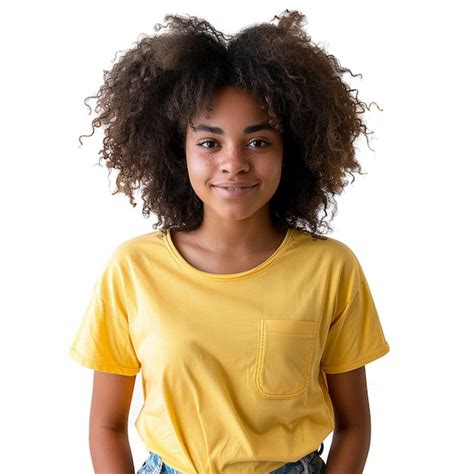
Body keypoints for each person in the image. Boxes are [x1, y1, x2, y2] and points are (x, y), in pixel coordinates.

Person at [68, 9, 390, 474]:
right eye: (209, 143)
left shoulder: (331, 268)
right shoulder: (133, 268)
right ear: (176, 149)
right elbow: (106, 426)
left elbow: (354, 425)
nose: (233, 162)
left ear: (291, 150)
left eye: (258, 142)